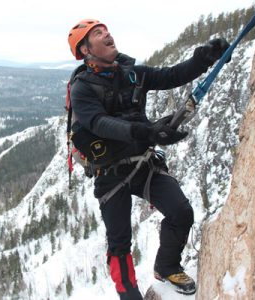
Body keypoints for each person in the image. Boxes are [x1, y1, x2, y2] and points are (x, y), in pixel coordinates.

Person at [67, 19, 230, 299]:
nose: (107, 33)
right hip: (111, 173)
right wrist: (147, 131)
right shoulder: (82, 88)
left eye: (106, 30)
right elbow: (99, 123)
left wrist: (203, 58)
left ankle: (166, 267)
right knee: (119, 245)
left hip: (143, 162)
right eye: (97, 33)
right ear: (85, 49)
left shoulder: (133, 73)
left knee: (181, 212)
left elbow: (171, 76)